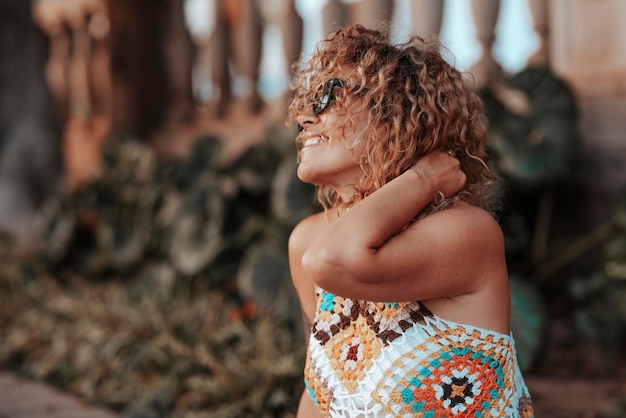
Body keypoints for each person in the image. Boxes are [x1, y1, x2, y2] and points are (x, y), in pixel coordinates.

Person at [286, 24, 534, 417]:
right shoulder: (308, 239)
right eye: (310, 99)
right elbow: (322, 391)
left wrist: (423, 178)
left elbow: (332, 261)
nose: (305, 116)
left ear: (396, 116)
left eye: (330, 95)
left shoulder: (464, 232)